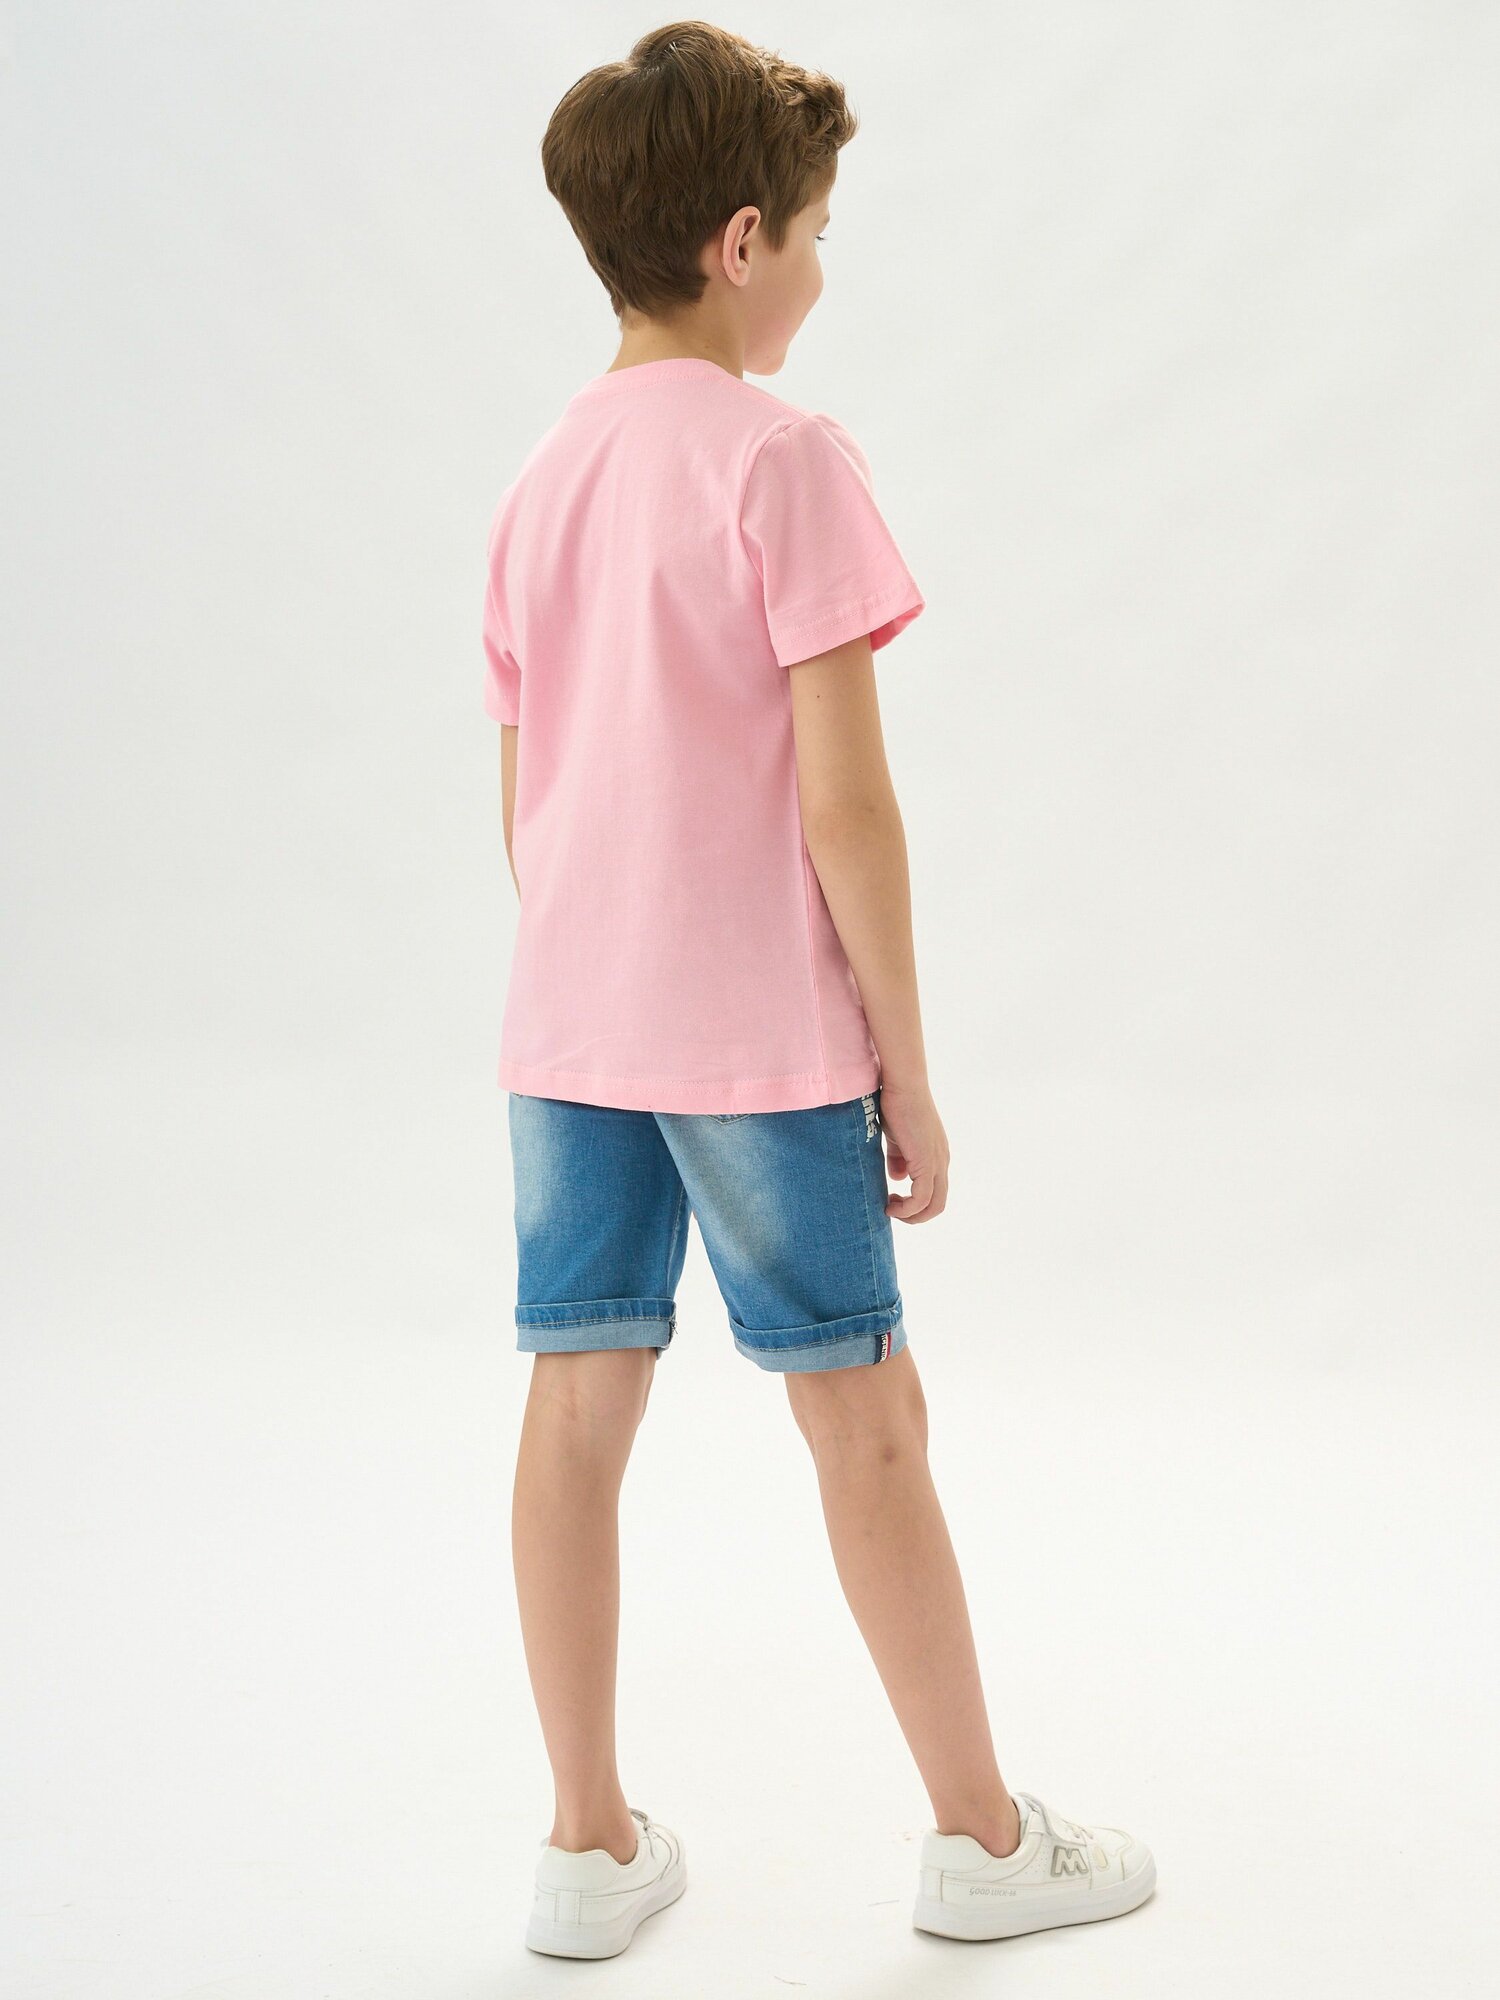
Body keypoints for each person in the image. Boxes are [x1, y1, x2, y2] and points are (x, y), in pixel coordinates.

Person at [481, 20, 1156, 1962]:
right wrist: (906, 1068)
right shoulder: (784, 460)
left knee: (577, 1397)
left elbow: (524, 796)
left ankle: (586, 1844)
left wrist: (593, 968)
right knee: (865, 1411)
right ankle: (983, 1839)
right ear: (744, 241)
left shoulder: (540, 477)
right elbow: (848, 801)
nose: (823, 273)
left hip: (570, 1029)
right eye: (821, 234)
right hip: (759, 1039)